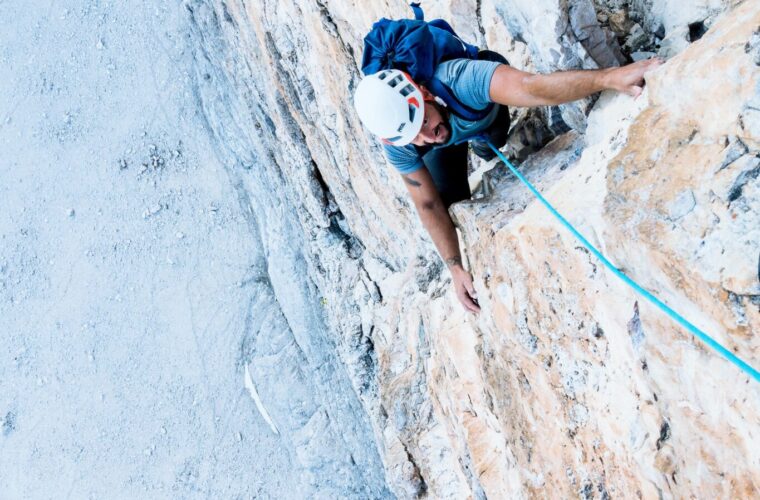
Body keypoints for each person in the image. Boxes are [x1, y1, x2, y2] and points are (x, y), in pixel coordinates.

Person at [354, 53, 662, 314]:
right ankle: (476, 145)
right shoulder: (401, 139)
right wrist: (455, 267)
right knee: (448, 201)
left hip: (477, 111)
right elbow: (427, 202)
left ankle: (484, 146)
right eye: (414, 136)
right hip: (454, 133)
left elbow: (533, 89)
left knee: (494, 138)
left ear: (423, 94)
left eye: (422, 121)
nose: (424, 137)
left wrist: (609, 78)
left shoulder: (461, 79)